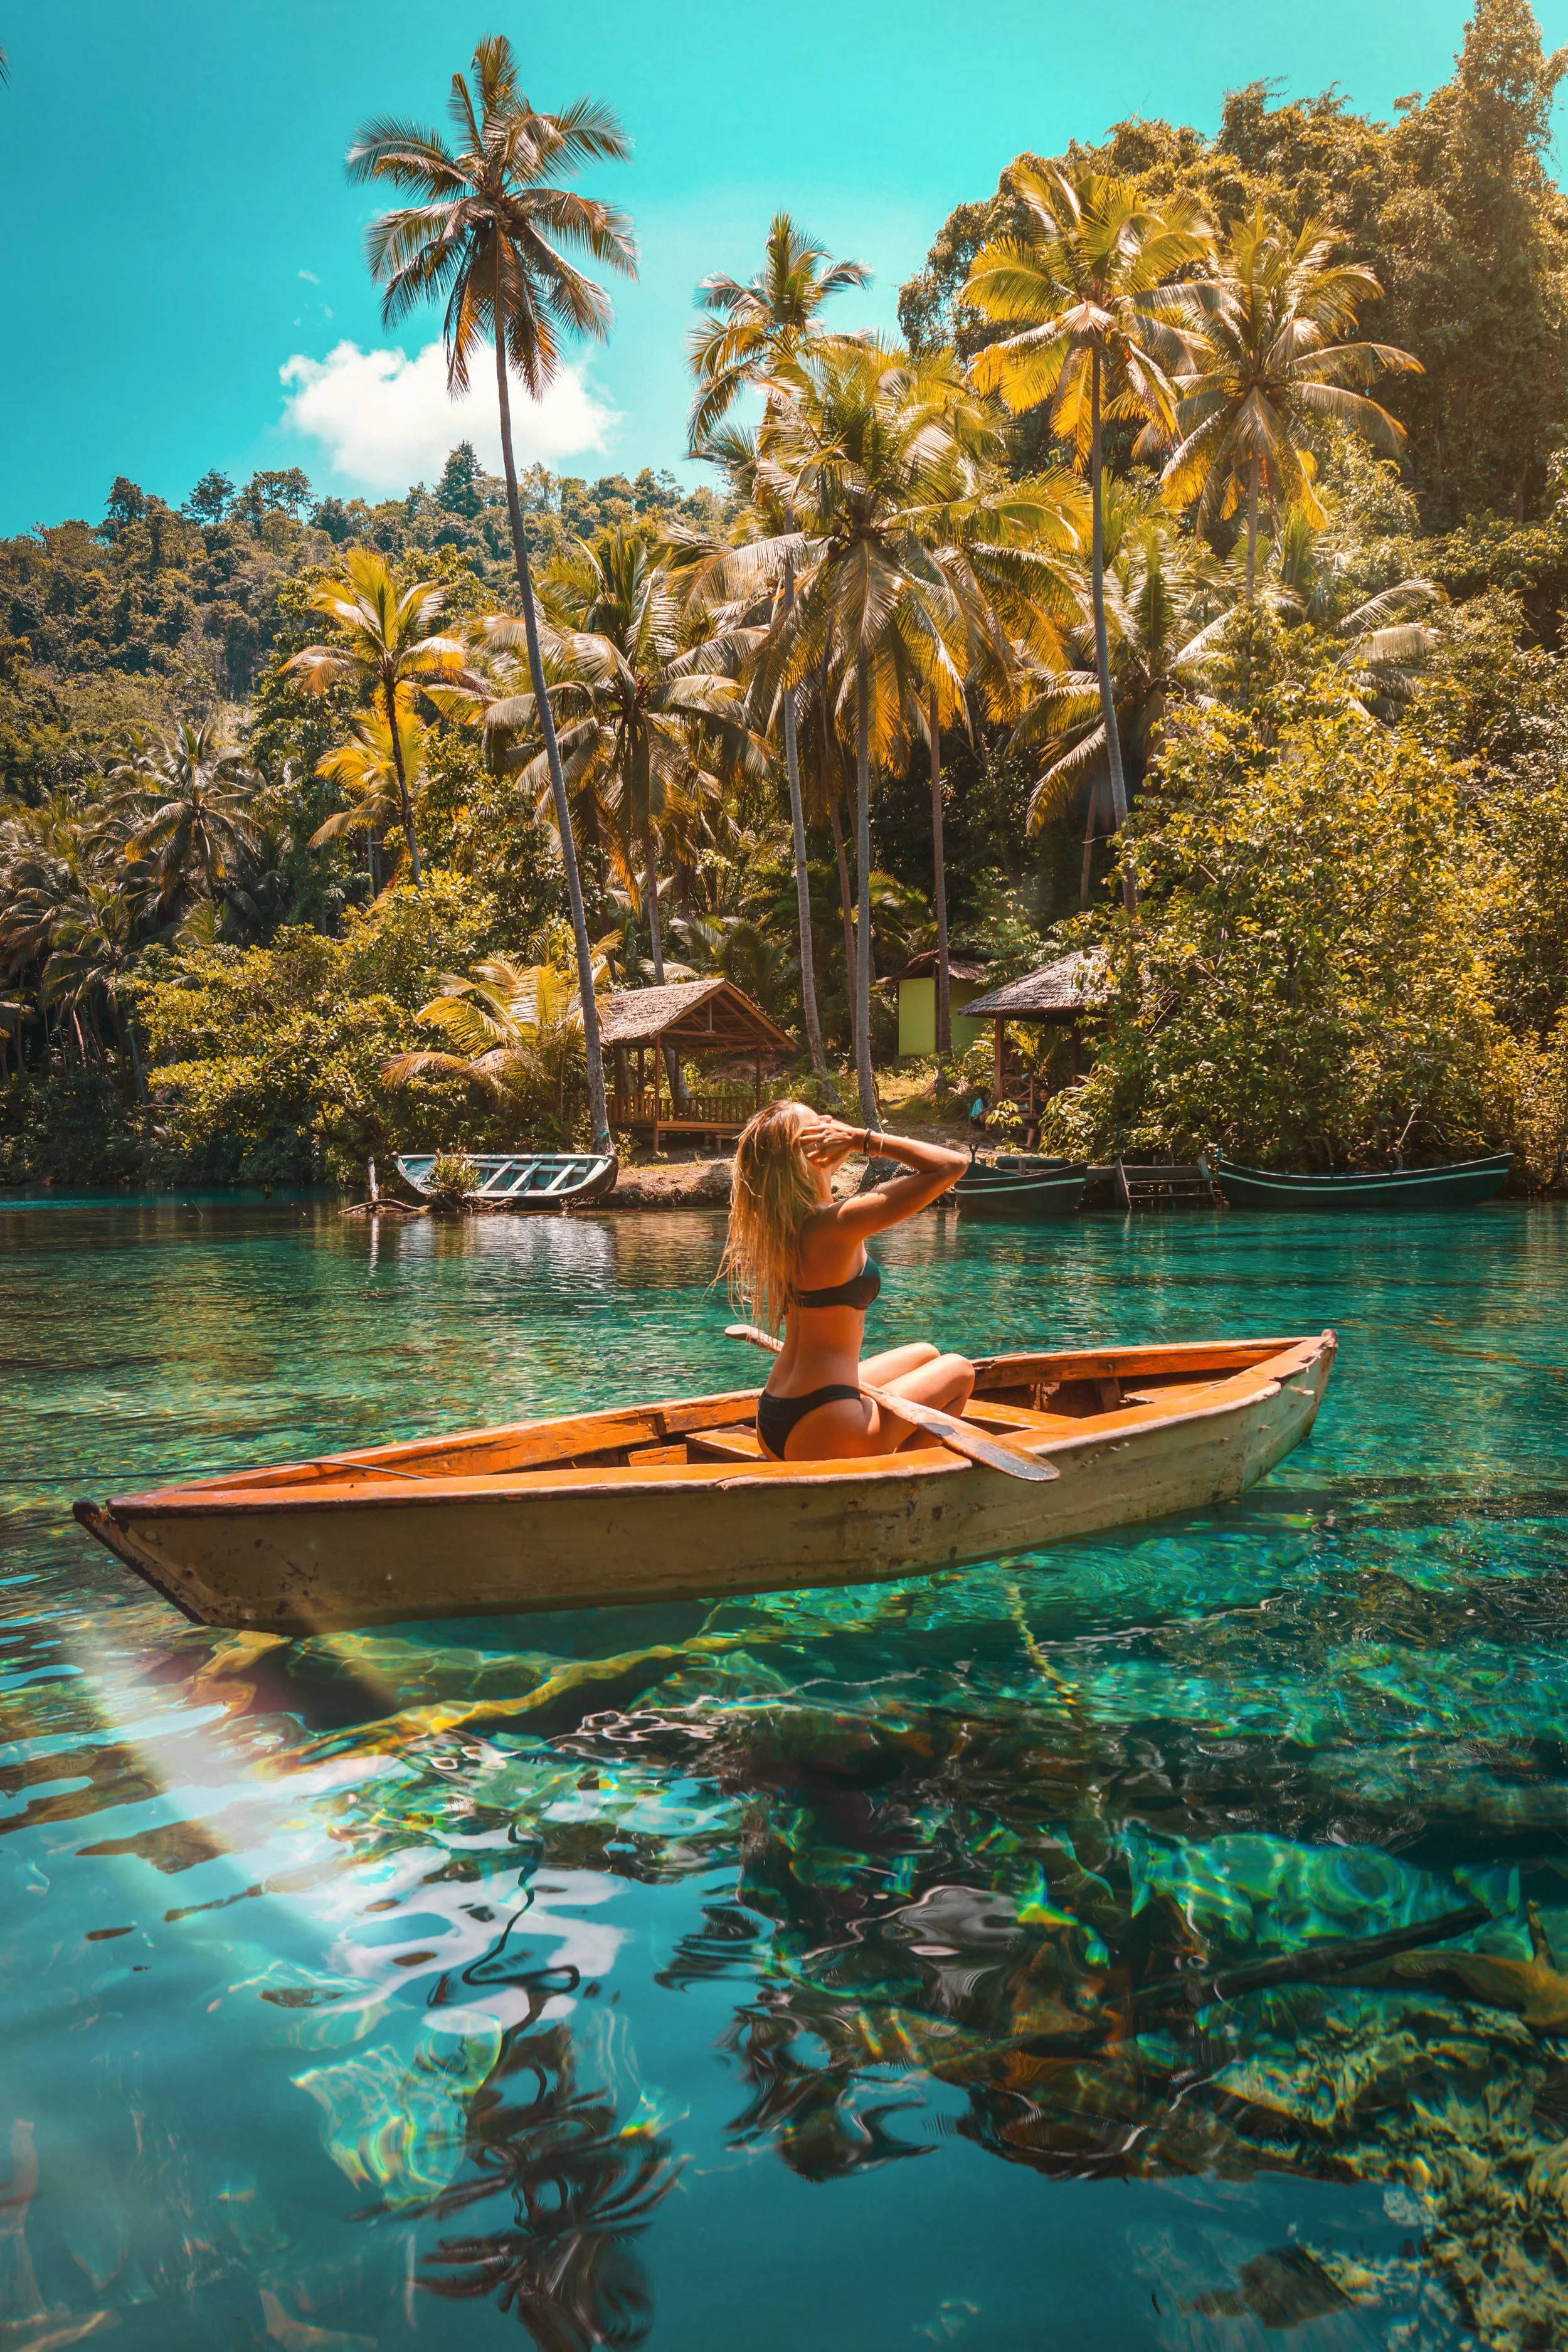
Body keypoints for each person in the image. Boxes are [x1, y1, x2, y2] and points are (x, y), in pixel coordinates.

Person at [721, 1103, 973, 1462]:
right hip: (825, 1427)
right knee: (960, 1370)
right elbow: (952, 1165)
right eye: (819, 1128)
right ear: (804, 1156)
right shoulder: (837, 1224)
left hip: (775, 1414)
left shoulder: (781, 1227)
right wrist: (861, 1139)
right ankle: (907, 1480)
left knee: (926, 1355)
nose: (831, 1126)